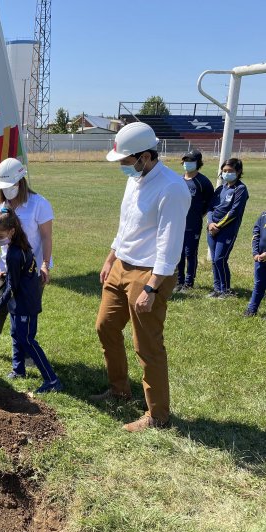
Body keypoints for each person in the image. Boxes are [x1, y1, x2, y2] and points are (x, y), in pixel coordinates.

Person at [94, 122, 190, 432]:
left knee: (146, 344)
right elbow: (126, 225)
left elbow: (169, 244)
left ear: (145, 156)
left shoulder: (172, 188)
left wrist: (151, 287)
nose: (122, 166)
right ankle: (120, 389)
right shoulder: (135, 179)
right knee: (105, 326)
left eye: (126, 160)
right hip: (122, 264)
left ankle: (158, 416)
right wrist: (111, 258)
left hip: (150, 272)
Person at [0, 157, 54, 376]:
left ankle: (28, 355)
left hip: (31, 270)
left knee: (26, 311)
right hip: (7, 267)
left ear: (20, 182)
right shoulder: (0, 205)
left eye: (8, 186)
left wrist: (45, 265)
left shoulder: (39, 204)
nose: (5, 191)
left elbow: (47, 238)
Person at [0, 209, 62, 394]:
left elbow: (12, 287)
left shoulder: (14, 252)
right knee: (16, 334)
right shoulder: (21, 243)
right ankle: (18, 369)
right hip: (19, 301)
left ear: (12, 231)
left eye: (0, 235)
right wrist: (6, 274)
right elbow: (20, 273)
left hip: (25, 302)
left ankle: (51, 380)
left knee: (27, 340)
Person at [207, 158, 249, 298]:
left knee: (220, 258)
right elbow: (210, 208)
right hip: (212, 229)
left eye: (230, 171)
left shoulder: (240, 189)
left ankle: (226, 290)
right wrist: (210, 223)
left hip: (227, 230)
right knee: (214, 259)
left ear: (238, 171)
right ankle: (217, 288)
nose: (226, 173)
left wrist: (218, 226)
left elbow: (234, 212)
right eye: (224, 171)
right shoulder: (220, 188)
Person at [175, 149, 214, 292]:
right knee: (178, 253)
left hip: (193, 225)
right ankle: (178, 281)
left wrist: (199, 216)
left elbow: (211, 203)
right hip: (178, 224)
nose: (187, 163)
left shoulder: (203, 182)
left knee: (190, 253)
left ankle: (188, 283)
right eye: (185, 160)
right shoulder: (178, 180)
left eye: (191, 161)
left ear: (198, 163)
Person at [244, 211, 266, 317]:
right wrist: (255, 252)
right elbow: (256, 234)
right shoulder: (263, 216)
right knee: (259, 284)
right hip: (260, 259)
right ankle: (251, 310)